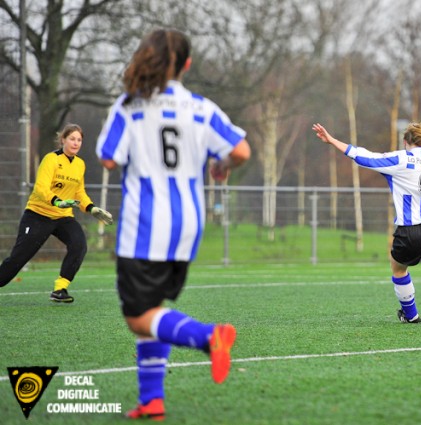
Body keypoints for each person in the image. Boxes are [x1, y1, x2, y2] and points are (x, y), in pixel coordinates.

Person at [96, 29, 251, 421]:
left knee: (137, 315)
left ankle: (208, 337)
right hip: (187, 224)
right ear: (186, 64)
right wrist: (220, 165)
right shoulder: (201, 107)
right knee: (153, 311)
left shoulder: (129, 105)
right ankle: (152, 399)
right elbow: (241, 151)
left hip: (145, 225)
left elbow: (109, 158)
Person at [312, 121, 421, 324]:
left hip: (410, 229)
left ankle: (411, 315)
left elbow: (363, 156)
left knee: (398, 269)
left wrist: (332, 140)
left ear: (406, 142)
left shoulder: (400, 159)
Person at [0, 123, 113, 302]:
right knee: (18, 259)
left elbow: (79, 192)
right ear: (63, 140)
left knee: (79, 244)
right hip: (38, 214)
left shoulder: (80, 164)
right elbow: (40, 188)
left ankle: (60, 289)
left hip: (63, 217)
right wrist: (57, 201)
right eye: (72, 139)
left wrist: (91, 208)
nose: (76, 143)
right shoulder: (51, 159)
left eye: (79, 140)